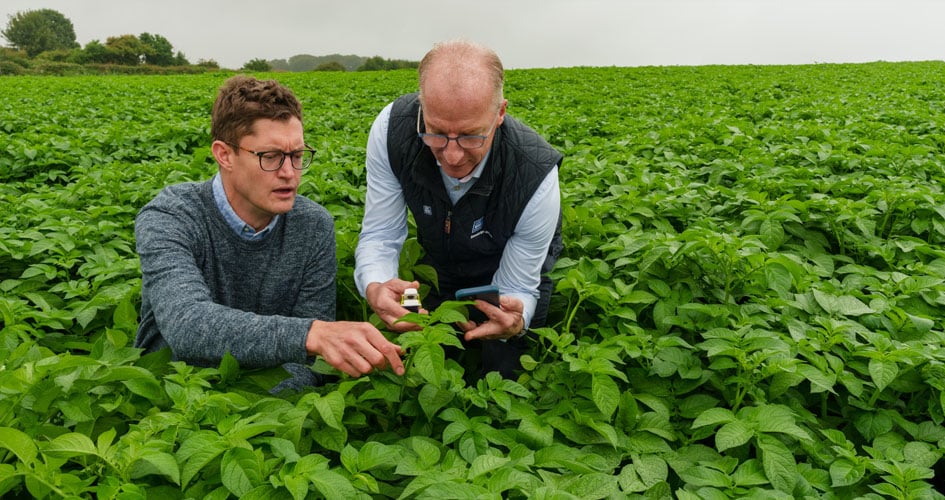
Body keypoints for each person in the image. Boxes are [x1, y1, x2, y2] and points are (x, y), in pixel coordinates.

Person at [134, 75, 404, 391]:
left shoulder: (313, 226)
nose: (289, 173)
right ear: (224, 154)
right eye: (270, 157)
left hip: (266, 411)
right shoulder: (171, 216)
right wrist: (310, 334)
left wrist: (266, 415)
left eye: (298, 156)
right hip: (170, 405)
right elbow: (188, 324)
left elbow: (308, 365)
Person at [354, 40, 563, 379]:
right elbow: (380, 234)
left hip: (502, 264)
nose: (452, 156)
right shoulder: (393, 132)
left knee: (502, 367)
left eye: (470, 136)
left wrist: (515, 318)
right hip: (439, 254)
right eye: (436, 133)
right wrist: (376, 284)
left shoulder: (534, 174)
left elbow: (518, 285)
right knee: (415, 366)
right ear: (422, 108)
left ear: (500, 114)